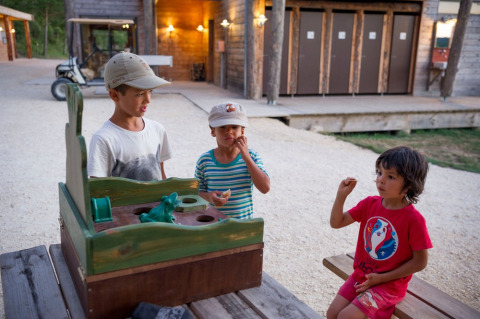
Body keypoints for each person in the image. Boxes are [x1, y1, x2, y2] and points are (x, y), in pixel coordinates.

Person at [327, 146, 432, 319]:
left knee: (346, 316)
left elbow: (420, 262)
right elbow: (336, 223)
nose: (380, 180)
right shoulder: (369, 204)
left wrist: (382, 278)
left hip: (389, 285)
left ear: (409, 185)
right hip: (361, 275)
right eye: (379, 172)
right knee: (332, 314)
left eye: (390, 176)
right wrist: (341, 196)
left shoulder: (414, 219)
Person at [87, 52, 172, 181]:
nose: (148, 100)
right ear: (115, 95)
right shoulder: (103, 140)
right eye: (140, 93)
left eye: (150, 91)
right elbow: (97, 191)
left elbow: (161, 176)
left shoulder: (157, 130)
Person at [194, 102, 270, 219]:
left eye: (234, 127)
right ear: (213, 131)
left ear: (242, 131)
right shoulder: (204, 161)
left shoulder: (252, 156)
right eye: (222, 127)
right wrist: (209, 197)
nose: (229, 131)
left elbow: (265, 188)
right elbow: (196, 194)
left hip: (242, 228)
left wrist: (246, 157)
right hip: (212, 227)